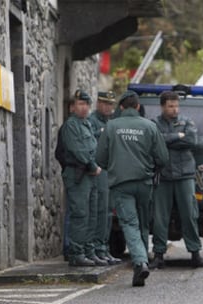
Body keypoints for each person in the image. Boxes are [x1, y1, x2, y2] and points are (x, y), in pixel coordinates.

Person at [96, 90, 168, 287]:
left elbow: (99, 159)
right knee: (143, 224)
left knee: (129, 223)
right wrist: (151, 168)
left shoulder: (111, 126)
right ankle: (140, 265)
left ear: (121, 107)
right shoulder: (150, 126)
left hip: (121, 184)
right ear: (137, 107)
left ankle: (140, 262)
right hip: (145, 183)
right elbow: (163, 158)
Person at [149, 91, 203, 269]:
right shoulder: (154, 123)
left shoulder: (187, 122)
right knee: (160, 217)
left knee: (189, 215)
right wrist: (178, 136)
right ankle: (159, 254)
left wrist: (168, 140)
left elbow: (192, 141)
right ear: (162, 106)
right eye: (170, 106)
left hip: (185, 175)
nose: (174, 109)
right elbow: (156, 142)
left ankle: (195, 253)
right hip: (164, 175)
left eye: (176, 106)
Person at [61, 89, 102, 266]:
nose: (84, 108)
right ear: (72, 107)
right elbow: (77, 150)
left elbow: (93, 148)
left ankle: (88, 250)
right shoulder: (71, 125)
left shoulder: (86, 124)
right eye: (80, 104)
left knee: (92, 214)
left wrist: (96, 165)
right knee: (80, 214)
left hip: (90, 175)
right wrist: (92, 166)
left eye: (86, 104)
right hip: (78, 174)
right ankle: (76, 253)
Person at [87, 91, 122, 265]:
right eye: (105, 104)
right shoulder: (91, 122)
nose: (109, 107)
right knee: (99, 210)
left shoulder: (112, 122)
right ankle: (95, 248)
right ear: (98, 104)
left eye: (111, 104)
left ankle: (104, 247)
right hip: (99, 170)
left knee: (108, 212)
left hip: (111, 170)